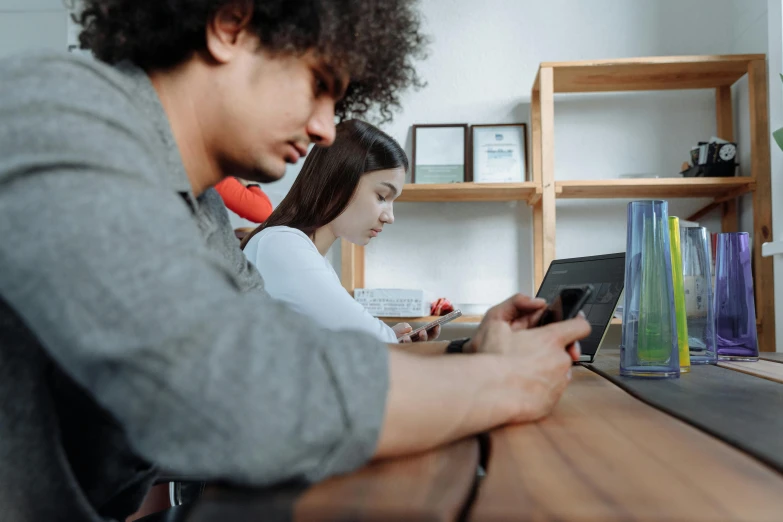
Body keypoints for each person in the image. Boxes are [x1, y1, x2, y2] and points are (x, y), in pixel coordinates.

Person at [0, 2, 590, 522]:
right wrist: (500, 383)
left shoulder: (197, 202)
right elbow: (239, 390)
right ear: (232, 25)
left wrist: (471, 352)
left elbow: (289, 344)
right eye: (318, 84)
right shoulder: (57, 115)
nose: (325, 130)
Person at [242, 119, 434, 343]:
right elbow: (370, 340)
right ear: (341, 181)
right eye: (382, 196)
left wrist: (391, 336)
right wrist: (389, 337)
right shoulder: (282, 245)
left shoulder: (310, 259)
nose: (389, 217)